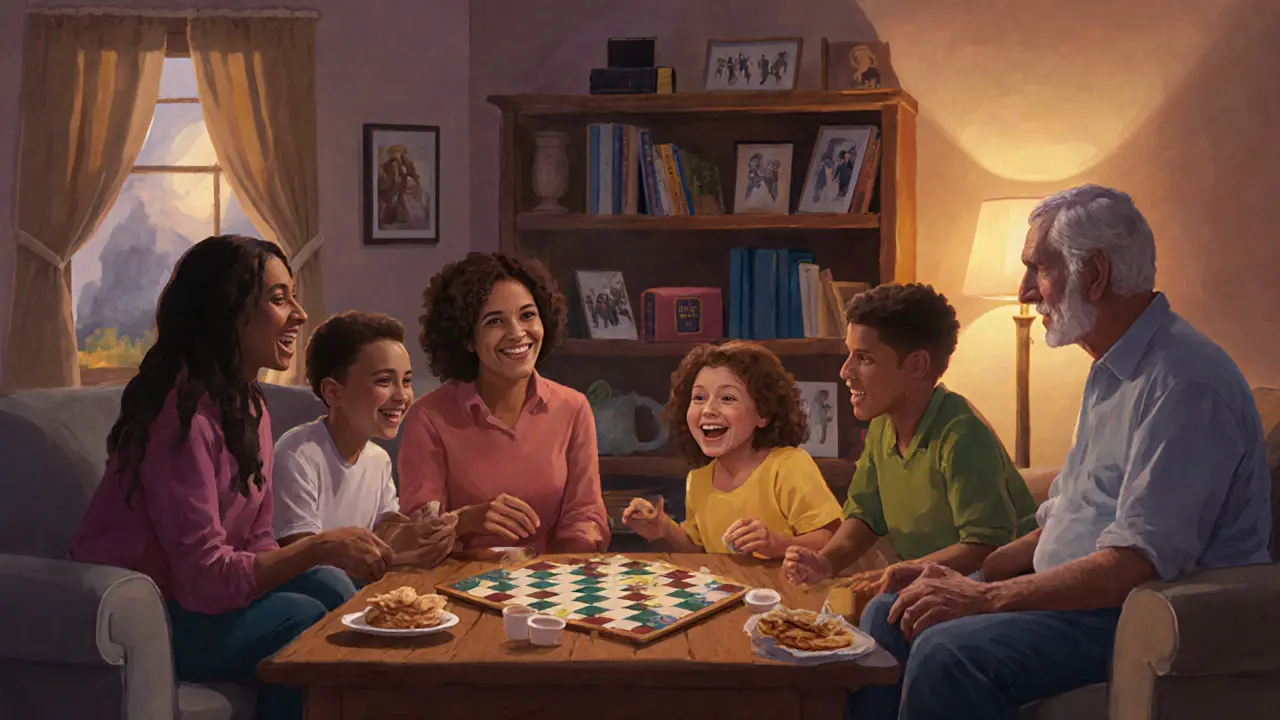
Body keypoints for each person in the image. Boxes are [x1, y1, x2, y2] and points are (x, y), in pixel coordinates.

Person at [848, 185, 1273, 720]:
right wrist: (982, 570)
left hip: (1132, 614)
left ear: (1094, 274)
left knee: (947, 653)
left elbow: (1134, 563)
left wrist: (984, 598)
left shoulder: (1183, 384)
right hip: (1082, 596)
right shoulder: (1111, 368)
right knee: (892, 611)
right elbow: (1074, 510)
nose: (1026, 291)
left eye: (1039, 270)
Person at [69, 235, 395, 720]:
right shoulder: (180, 420)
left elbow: (259, 542)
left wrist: (321, 558)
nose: (300, 315)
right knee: (302, 617)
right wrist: (321, 544)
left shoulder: (250, 405)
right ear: (228, 311)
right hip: (158, 620)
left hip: (202, 604)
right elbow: (203, 579)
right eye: (279, 299)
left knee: (327, 583)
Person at [784, 283, 1038, 588]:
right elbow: (866, 512)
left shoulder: (962, 434)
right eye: (849, 355)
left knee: (876, 615)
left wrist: (899, 573)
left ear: (917, 365)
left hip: (992, 587)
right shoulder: (881, 427)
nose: (845, 371)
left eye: (864, 358)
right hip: (924, 584)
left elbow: (985, 544)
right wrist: (826, 562)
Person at [397, 252, 609, 554]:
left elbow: (585, 513)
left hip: (550, 583)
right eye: (495, 321)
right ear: (467, 338)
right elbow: (417, 530)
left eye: (527, 315)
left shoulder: (573, 408)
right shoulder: (429, 416)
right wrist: (469, 519)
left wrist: (568, 562)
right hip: (454, 583)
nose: (517, 333)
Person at [622, 341, 844, 558]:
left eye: (727, 398)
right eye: (699, 397)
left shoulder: (789, 466)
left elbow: (832, 540)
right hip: (728, 594)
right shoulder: (698, 480)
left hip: (788, 593)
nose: (708, 410)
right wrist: (661, 527)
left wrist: (777, 544)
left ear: (763, 413)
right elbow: (703, 555)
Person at [273, 310, 456, 570]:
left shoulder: (378, 460)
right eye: (384, 381)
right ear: (333, 392)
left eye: (406, 381)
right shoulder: (297, 455)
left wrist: (428, 530)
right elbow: (306, 563)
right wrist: (402, 559)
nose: (402, 395)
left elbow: (387, 528)